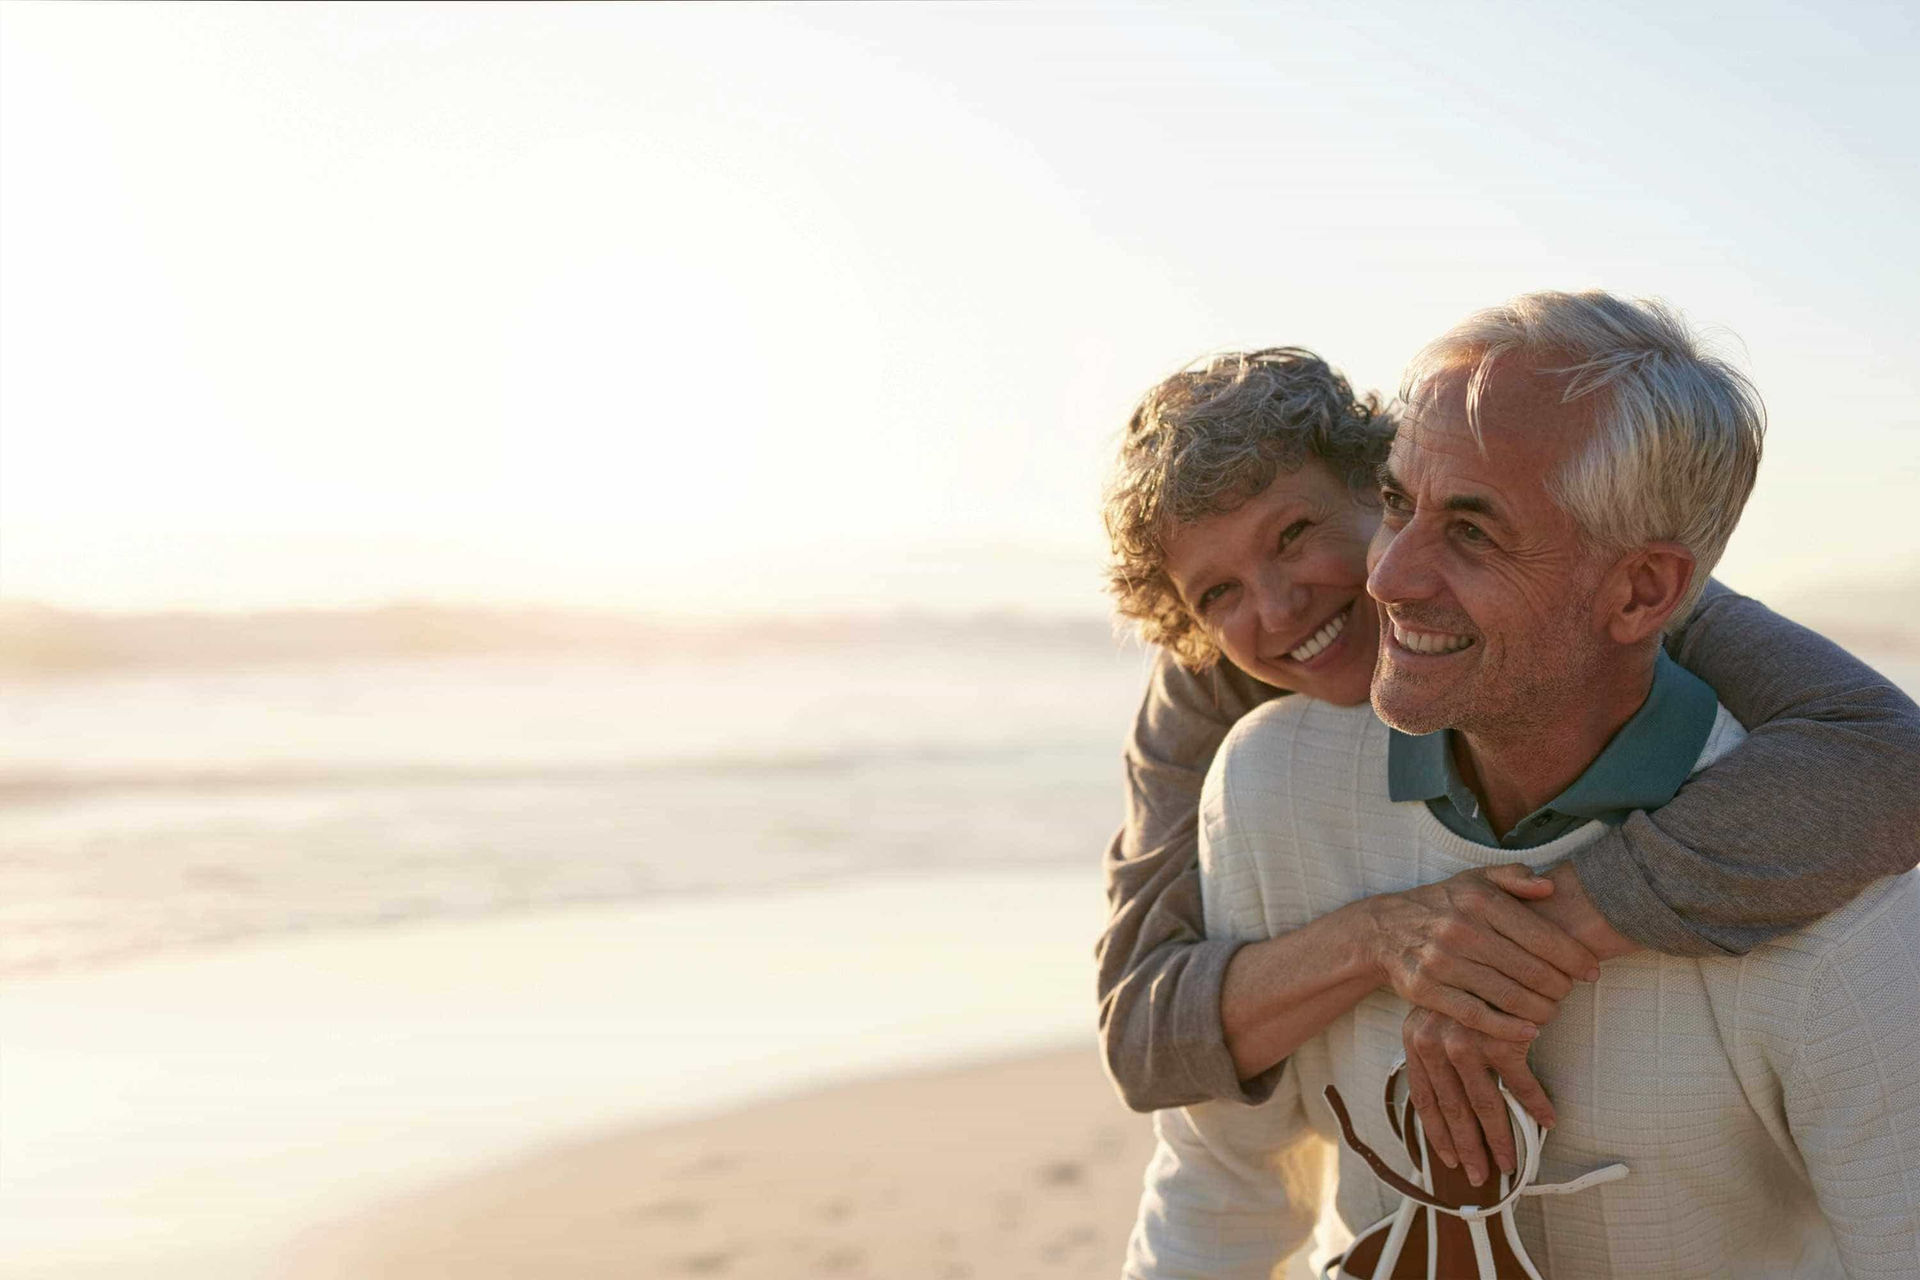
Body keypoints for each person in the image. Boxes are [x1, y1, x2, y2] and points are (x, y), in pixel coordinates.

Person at [1122, 291, 1920, 1278]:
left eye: (1471, 528)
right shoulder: (1257, 769)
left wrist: (1531, 942)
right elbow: (1182, 1109)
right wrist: (1384, 935)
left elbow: (1896, 751)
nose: (1386, 578)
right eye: (1408, 507)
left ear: (1641, 592)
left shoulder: (1842, 872)